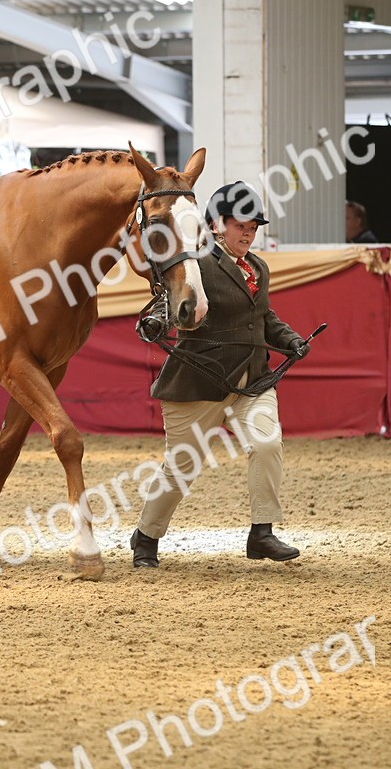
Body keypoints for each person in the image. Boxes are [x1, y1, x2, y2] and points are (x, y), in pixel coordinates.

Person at [130, 181, 310, 568]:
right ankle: (146, 537)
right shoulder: (196, 262)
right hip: (199, 381)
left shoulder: (258, 267)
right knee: (182, 468)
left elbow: (263, 316)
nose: (248, 234)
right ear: (215, 225)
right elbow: (174, 300)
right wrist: (157, 322)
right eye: (240, 226)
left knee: (266, 444)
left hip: (251, 380)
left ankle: (262, 532)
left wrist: (291, 340)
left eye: (253, 227)